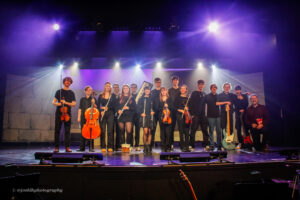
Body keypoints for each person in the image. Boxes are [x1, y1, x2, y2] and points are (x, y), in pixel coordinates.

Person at [52, 77, 76, 153]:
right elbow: (53, 102)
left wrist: (65, 102)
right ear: (64, 82)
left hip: (67, 114)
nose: (67, 82)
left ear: (70, 83)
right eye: (66, 81)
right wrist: (59, 103)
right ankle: (56, 147)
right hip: (59, 113)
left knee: (67, 131)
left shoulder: (72, 93)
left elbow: (74, 104)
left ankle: (67, 147)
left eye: (69, 81)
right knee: (57, 131)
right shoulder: (58, 92)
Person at [189, 80, 209, 151]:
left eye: (202, 84)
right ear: (198, 85)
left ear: (203, 85)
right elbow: (190, 104)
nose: (201, 86)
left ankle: (206, 144)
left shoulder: (204, 94)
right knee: (193, 130)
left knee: (205, 130)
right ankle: (191, 145)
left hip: (203, 115)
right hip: (195, 115)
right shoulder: (194, 93)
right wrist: (192, 114)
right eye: (200, 84)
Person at [77, 86, 97, 152]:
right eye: (88, 90)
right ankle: (82, 148)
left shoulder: (93, 98)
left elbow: (96, 108)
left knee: (91, 133)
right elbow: (80, 109)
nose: (89, 91)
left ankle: (91, 148)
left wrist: (93, 103)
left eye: (90, 90)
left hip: (91, 118)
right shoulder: (82, 99)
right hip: (83, 117)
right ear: (85, 91)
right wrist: (79, 117)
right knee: (83, 132)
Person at [116, 84, 136, 149]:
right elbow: (116, 106)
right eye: (124, 88)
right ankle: (122, 146)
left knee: (129, 132)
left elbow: (135, 108)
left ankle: (128, 146)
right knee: (121, 132)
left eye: (126, 88)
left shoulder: (132, 98)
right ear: (122, 90)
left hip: (129, 116)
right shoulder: (119, 97)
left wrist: (128, 107)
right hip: (121, 116)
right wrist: (118, 110)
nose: (125, 89)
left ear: (129, 89)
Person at [137, 86, 154, 154]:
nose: (147, 91)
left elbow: (155, 107)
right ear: (144, 90)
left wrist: (154, 111)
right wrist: (141, 113)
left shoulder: (152, 98)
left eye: (148, 90)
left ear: (150, 91)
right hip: (144, 117)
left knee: (150, 132)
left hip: (151, 117)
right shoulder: (141, 99)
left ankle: (149, 147)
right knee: (145, 132)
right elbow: (138, 108)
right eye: (146, 90)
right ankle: (145, 146)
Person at [98, 82, 115, 153]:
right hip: (102, 114)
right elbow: (98, 105)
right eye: (106, 86)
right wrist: (101, 110)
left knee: (110, 130)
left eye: (109, 86)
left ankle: (110, 146)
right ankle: (103, 146)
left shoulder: (113, 96)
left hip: (110, 113)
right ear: (104, 87)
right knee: (103, 131)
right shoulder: (100, 95)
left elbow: (115, 105)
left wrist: (108, 107)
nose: (107, 87)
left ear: (110, 87)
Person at [174, 85, 191, 152]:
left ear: (186, 90)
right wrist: (180, 110)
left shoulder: (188, 99)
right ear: (180, 90)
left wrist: (188, 108)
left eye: (184, 89)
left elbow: (191, 107)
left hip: (187, 116)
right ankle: (182, 146)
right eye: (181, 88)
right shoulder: (177, 98)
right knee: (181, 131)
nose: (183, 90)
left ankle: (187, 146)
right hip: (180, 116)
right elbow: (174, 107)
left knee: (187, 132)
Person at [205, 84, 222, 150]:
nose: (214, 89)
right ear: (211, 89)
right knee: (211, 131)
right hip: (210, 116)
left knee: (218, 131)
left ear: (216, 89)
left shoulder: (218, 96)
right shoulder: (207, 96)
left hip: (218, 116)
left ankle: (219, 145)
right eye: (212, 88)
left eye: (215, 88)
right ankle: (212, 145)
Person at [158, 87, 173, 152]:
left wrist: (168, 106)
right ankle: (163, 146)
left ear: (167, 91)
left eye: (165, 91)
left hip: (169, 117)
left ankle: (168, 146)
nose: (164, 92)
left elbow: (173, 107)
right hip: (161, 117)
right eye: (162, 91)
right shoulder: (159, 99)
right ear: (161, 92)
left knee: (168, 133)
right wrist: (163, 107)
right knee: (162, 133)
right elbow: (156, 108)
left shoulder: (170, 99)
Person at [168, 76, 180, 149]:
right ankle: (171, 143)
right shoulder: (169, 90)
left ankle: (182, 143)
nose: (175, 81)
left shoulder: (181, 90)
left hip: (179, 111)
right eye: (174, 80)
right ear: (172, 82)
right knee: (171, 128)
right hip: (171, 111)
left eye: (176, 80)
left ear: (178, 81)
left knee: (181, 128)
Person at [150, 77, 162, 149]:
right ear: (155, 83)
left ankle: (163, 144)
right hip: (154, 113)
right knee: (153, 129)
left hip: (161, 113)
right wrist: (151, 111)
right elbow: (150, 102)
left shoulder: (163, 91)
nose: (158, 83)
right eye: (157, 82)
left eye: (159, 82)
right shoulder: (152, 92)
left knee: (162, 129)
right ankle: (151, 144)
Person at [130, 83, 141, 151]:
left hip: (138, 115)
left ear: (136, 88)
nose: (133, 88)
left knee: (137, 131)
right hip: (131, 115)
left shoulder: (139, 95)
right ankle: (131, 145)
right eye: (132, 87)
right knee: (130, 131)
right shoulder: (129, 96)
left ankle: (137, 145)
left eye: (134, 87)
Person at [112, 83, 121, 151]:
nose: (116, 88)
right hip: (112, 115)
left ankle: (118, 146)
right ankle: (112, 146)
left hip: (119, 116)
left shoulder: (121, 96)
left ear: (119, 88)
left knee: (118, 131)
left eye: (117, 87)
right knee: (111, 131)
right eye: (114, 87)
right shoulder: (111, 96)